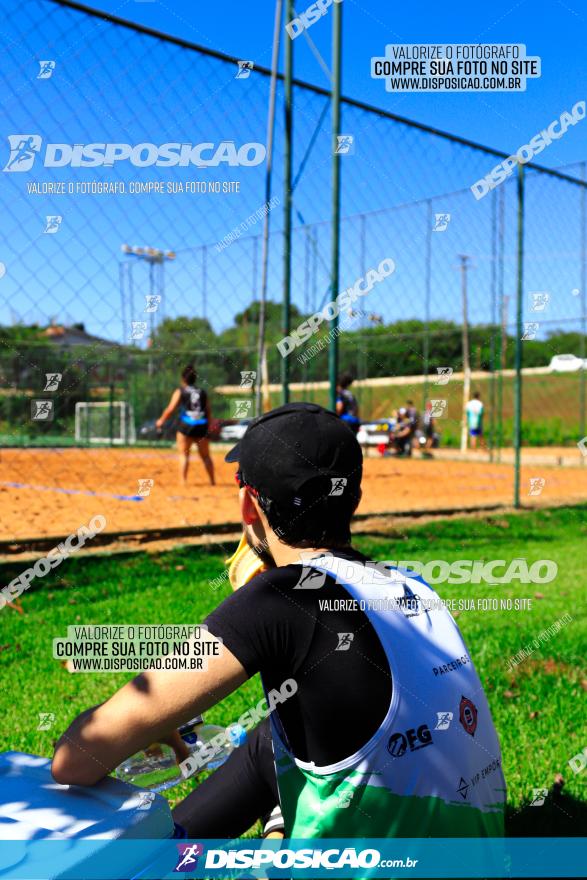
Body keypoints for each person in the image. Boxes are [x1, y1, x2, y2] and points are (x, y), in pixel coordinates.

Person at [52, 403, 505, 842]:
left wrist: (144, 721)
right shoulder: (414, 585)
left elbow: (74, 761)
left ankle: (165, 856)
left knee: (270, 738)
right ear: (355, 500)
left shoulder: (279, 596)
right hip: (476, 858)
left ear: (250, 506)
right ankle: (216, 838)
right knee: (273, 736)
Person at [156, 364, 215, 486]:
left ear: (183, 379)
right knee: (206, 456)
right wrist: (209, 426)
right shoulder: (202, 392)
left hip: (186, 426)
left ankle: (183, 481)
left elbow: (170, 409)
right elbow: (208, 410)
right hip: (201, 425)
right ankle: (212, 481)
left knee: (184, 454)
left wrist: (161, 420)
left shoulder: (180, 391)